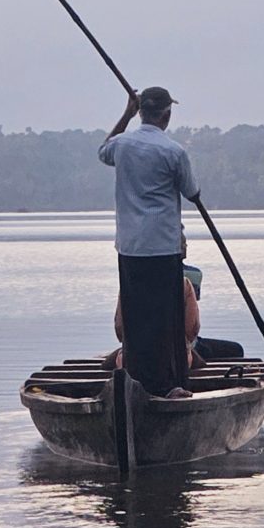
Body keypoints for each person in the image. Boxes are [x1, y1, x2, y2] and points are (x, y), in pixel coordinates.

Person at [98, 86, 199, 398]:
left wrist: (125, 115)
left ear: (140, 112)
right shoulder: (173, 152)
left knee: (137, 317)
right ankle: (169, 386)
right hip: (163, 247)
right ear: (166, 115)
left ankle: (138, 381)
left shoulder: (122, 144)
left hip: (130, 247)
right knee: (166, 319)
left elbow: (103, 150)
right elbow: (192, 192)